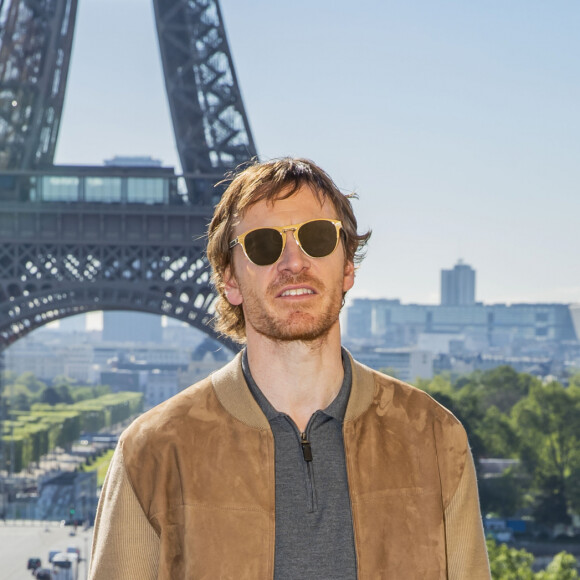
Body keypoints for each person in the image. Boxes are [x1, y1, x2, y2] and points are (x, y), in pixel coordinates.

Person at [89, 158, 491, 579]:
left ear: (348, 265)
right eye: (264, 244)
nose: (294, 262)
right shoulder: (153, 450)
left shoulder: (433, 437)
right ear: (229, 280)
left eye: (318, 238)